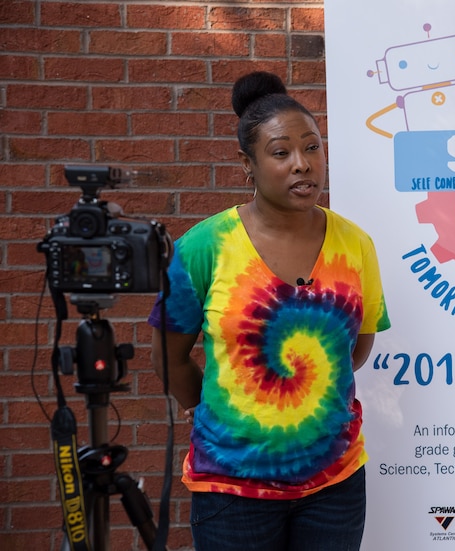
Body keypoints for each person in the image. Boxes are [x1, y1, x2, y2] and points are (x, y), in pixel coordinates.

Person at [148, 71, 391, 551]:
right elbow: (167, 356)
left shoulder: (356, 245)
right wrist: (221, 413)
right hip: (233, 490)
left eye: (313, 148)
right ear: (248, 164)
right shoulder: (203, 247)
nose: (302, 165)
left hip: (334, 485)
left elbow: (355, 349)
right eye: (281, 153)